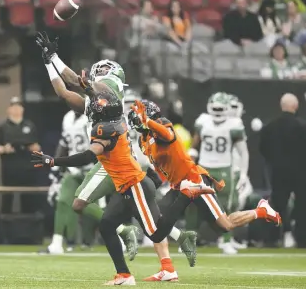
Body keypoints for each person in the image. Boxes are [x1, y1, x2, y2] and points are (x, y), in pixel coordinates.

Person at [36, 31, 200, 282]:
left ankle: (184, 200)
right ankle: (125, 272)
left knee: (154, 232)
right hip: (118, 172)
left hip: (128, 175)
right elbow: (63, 91)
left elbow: (76, 83)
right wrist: (49, 63)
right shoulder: (95, 104)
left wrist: (55, 57)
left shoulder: (109, 99)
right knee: (108, 223)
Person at [189, 92, 281, 254]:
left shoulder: (234, 124)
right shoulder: (203, 121)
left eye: (220, 108)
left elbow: (244, 152)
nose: (217, 111)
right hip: (203, 167)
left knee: (227, 206)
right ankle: (190, 238)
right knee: (193, 203)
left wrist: (244, 174)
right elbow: (195, 143)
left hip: (224, 169)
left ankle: (225, 240)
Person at [259, 93, 306, 248]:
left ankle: (272, 239)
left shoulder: (270, 127)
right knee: (302, 205)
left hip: (279, 171)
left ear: (281, 106)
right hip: (300, 171)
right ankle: (303, 240)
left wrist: (274, 161)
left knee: (277, 204)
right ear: (296, 106)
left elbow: (262, 148)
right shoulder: (303, 126)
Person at [45, 109, 95, 254]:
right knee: (63, 200)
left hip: (92, 167)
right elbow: (64, 143)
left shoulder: (91, 117)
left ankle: (121, 233)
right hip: (73, 167)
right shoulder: (67, 117)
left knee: (93, 207)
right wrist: (56, 168)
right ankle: (56, 243)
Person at [0, 97, 41, 214]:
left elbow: (37, 146)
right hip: (10, 168)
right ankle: (6, 227)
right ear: (9, 109)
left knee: (28, 200)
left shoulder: (30, 125)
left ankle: (29, 226)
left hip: (27, 168)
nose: (16, 109)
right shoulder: (2, 127)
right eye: (14, 107)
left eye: (19, 107)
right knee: (7, 198)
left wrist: (34, 148)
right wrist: (4, 149)